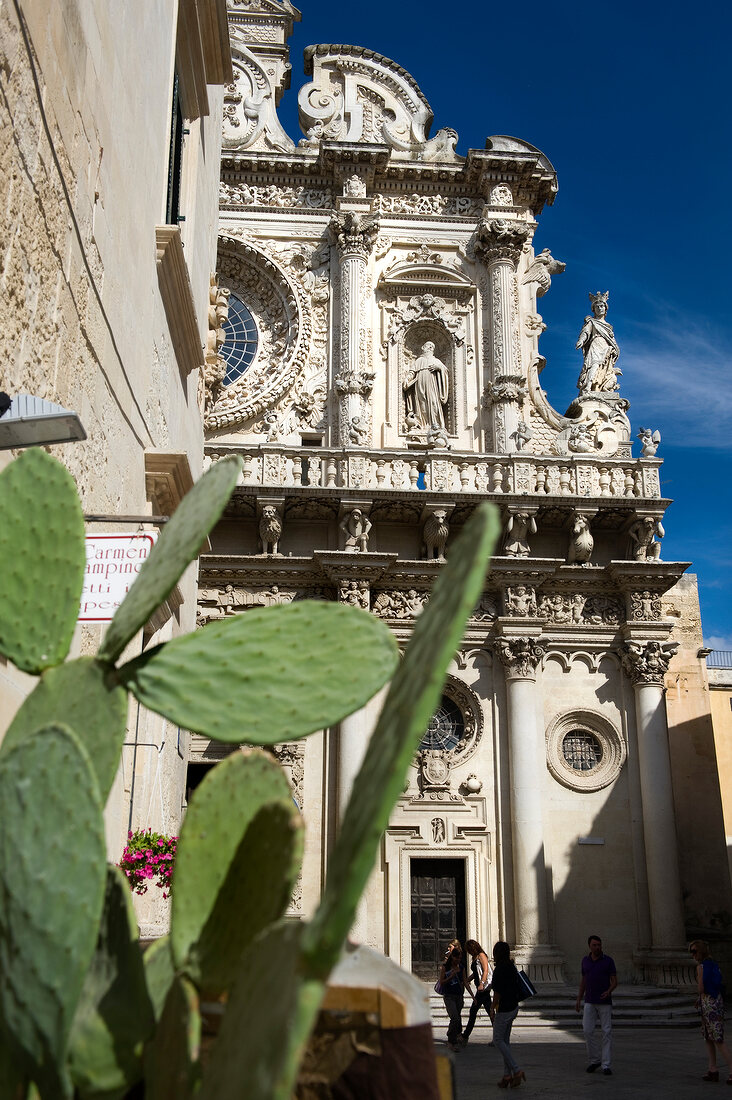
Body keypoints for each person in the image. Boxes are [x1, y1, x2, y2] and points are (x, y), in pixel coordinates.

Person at [575, 934, 617, 1075]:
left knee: (606, 1031)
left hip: (604, 1001)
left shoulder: (608, 961)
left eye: (599, 945)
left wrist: (609, 991)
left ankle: (606, 1064)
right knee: (587, 1030)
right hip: (590, 1000)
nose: (597, 947)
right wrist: (579, 998)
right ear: (590, 946)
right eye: (595, 945)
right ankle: (594, 1060)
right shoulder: (585, 961)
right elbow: (584, 981)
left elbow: (614, 980)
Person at [691, 939, 732, 1082]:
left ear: (700, 952)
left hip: (708, 1004)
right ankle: (712, 1069)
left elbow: (701, 988)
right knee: (709, 1037)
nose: (692, 955)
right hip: (716, 1001)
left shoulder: (701, 967)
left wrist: (699, 995)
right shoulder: (714, 965)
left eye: (694, 951)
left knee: (716, 1039)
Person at [489, 941, 525, 1088]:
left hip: (504, 1009)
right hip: (513, 1006)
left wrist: (492, 1008)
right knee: (505, 1041)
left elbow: (497, 992)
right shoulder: (511, 966)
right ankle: (507, 1076)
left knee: (498, 1040)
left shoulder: (499, 970)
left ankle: (516, 1070)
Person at [575, 291, 620, 393]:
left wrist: (614, 349)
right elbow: (586, 332)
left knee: (604, 367)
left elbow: (612, 340)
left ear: (605, 308)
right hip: (596, 343)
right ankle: (588, 385)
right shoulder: (592, 322)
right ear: (594, 309)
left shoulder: (608, 326)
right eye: (597, 307)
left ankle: (599, 387)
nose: (600, 308)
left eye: (602, 306)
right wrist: (581, 341)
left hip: (606, 347)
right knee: (594, 364)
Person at [403, 341, 449, 431]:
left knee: (434, 403)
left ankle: (435, 424)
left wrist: (438, 368)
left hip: (432, 385)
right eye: (428, 346)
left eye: (432, 346)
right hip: (420, 384)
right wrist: (407, 379)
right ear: (423, 348)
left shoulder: (436, 361)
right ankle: (423, 424)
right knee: (422, 403)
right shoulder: (419, 361)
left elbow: (445, 371)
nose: (430, 347)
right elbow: (412, 372)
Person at [439, 939, 472, 1051]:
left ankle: (456, 1037)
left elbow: (465, 982)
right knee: (455, 1018)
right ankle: (451, 1040)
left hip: (459, 996)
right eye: (456, 958)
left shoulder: (461, 968)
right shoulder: (445, 967)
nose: (458, 960)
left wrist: (472, 995)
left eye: (459, 958)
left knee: (456, 1018)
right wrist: (450, 977)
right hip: (449, 996)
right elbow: (441, 982)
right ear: (452, 957)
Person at [460, 940, 493, 1046]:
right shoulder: (475, 957)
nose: (468, 952)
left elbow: (485, 970)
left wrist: (482, 984)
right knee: (489, 1011)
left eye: (469, 949)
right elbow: (475, 973)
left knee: (474, 1011)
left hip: (483, 989)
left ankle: (465, 1036)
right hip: (482, 990)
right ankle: (499, 1035)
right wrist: (467, 980)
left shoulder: (481, 955)